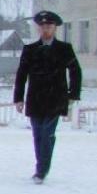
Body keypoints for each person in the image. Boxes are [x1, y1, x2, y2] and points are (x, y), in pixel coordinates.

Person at [14, 10, 82, 184]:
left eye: (49, 26)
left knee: (47, 133)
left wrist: (73, 94)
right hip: (36, 99)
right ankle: (40, 167)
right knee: (38, 135)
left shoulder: (64, 49)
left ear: (55, 28)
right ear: (38, 28)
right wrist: (19, 98)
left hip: (56, 98)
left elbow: (75, 71)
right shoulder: (30, 50)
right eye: (43, 26)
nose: (46, 29)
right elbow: (21, 74)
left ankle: (42, 171)